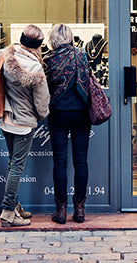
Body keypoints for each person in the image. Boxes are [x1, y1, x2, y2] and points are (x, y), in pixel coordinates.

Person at [0, 24, 50, 227]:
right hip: (23, 124)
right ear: (38, 45)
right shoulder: (36, 68)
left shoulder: (7, 53)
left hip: (6, 120)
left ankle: (15, 205)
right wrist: (42, 115)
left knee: (13, 164)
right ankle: (8, 212)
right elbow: (42, 102)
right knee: (17, 168)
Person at [45, 23, 95, 224]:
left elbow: (44, 88)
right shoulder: (82, 55)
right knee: (81, 161)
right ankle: (80, 210)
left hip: (58, 114)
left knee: (60, 162)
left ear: (53, 40)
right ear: (71, 37)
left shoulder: (48, 60)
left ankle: (61, 211)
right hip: (82, 113)